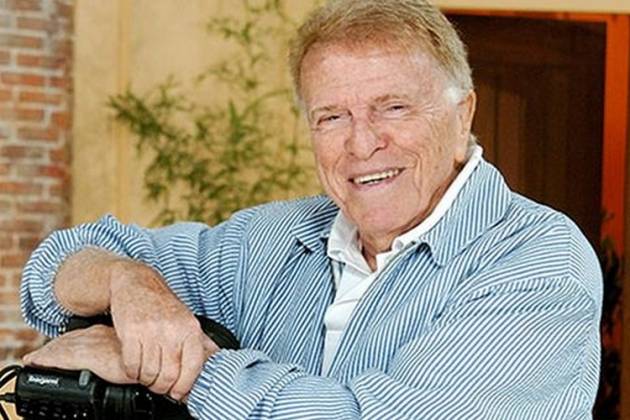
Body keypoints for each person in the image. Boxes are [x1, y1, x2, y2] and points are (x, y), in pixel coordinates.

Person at [20, 0, 602, 418]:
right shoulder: (270, 239)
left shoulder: (540, 259)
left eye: (393, 107)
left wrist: (169, 368)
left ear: (462, 115)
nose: (362, 143)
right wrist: (129, 282)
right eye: (332, 117)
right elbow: (55, 267)